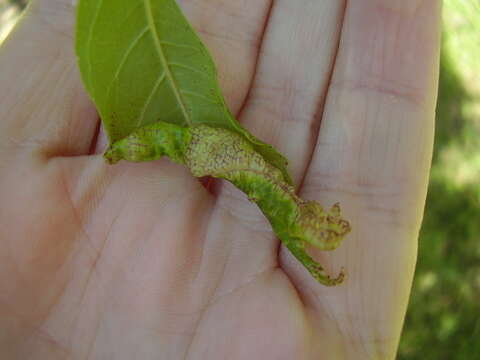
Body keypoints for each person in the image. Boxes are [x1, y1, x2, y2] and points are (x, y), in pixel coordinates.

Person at [0, 0, 441, 358]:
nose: (322, 231)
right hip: (202, 148)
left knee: (186, 146)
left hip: (204, 149)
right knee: (184, 145)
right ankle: (133, 147)